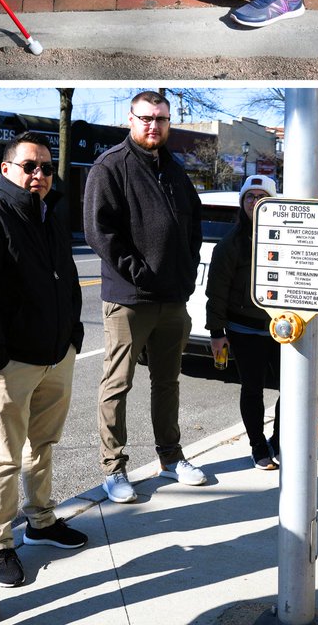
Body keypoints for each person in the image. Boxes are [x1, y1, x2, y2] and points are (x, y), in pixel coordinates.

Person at [0, 132, 86, 589]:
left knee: (43, 446)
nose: (40, 175)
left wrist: (73, 335)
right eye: (30, 166)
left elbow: (67, 278)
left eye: (47, 168)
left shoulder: (50, 215)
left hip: (56, 355)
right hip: (11, 364)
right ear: (6, 169)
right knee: (6, 459)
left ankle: (42, 522)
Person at [83, 91, 205, 501]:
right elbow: (101, 233)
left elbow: (193, 227)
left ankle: (170, 459)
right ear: (130, 120)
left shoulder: (174, 168)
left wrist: (186, 274)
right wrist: (139, 274)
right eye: (147, 118)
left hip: (173, 299)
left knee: (167, 382)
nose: (155, 125)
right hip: (129, 299)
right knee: (117, 384)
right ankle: (114, 468)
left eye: (162, 119)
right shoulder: (109, 167)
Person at [205, 174, 281, 470]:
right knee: (253, 389)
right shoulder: (230, 245)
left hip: (283, 329)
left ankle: (280, 440)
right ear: (242, 203)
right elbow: (217, 293)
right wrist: (216, 333)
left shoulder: (285, 237)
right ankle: (258, 447)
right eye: (250, 197)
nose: (255, 202)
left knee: (291, 389)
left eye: (262, 197)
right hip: (244, 330)